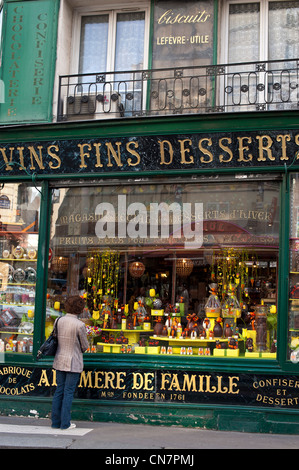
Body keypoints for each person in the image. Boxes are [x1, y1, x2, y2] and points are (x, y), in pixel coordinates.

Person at [51, 295, 89, 430]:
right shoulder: (80, 325)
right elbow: (85, 346)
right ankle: (65, 423)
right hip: (73, 361)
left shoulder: (58, 320)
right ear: (80, 309)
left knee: (59, 390)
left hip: (60, 358)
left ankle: (55, 422)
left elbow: (55, 339)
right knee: (68, 392)